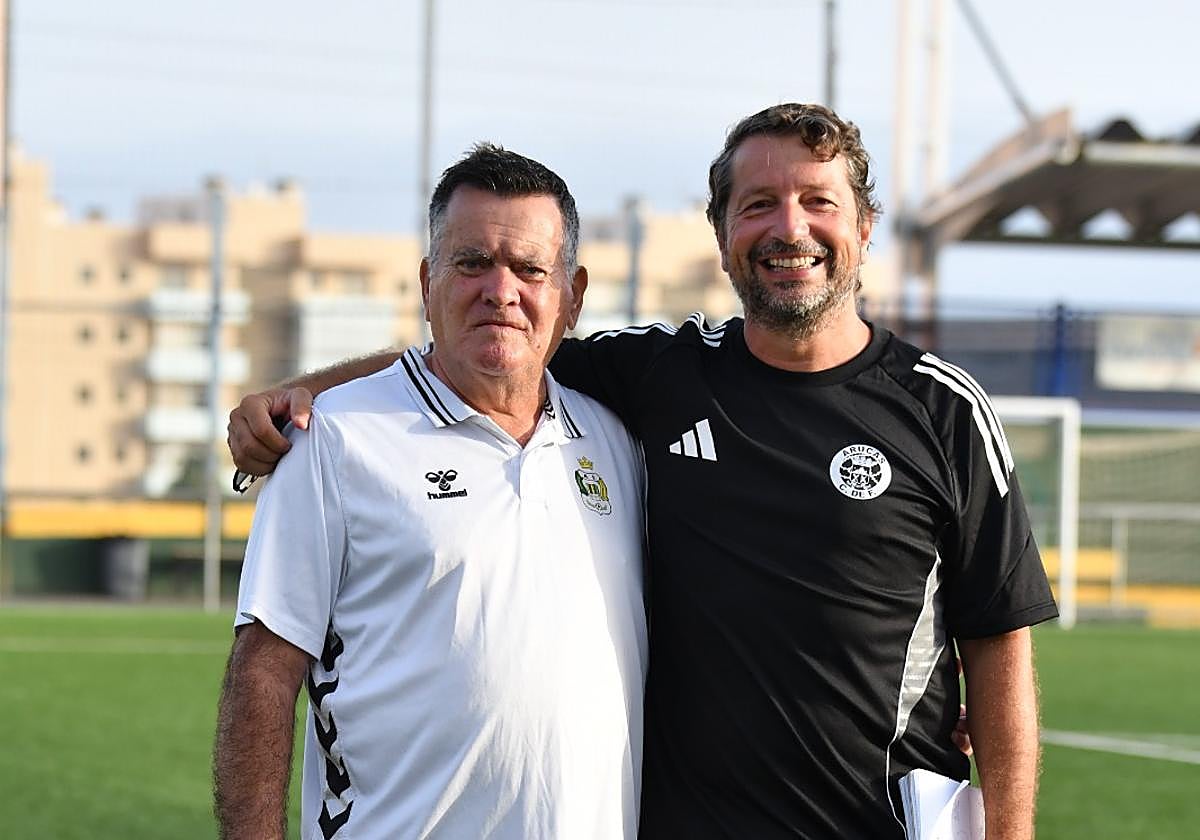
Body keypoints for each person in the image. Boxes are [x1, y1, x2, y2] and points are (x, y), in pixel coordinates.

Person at [228, 104, 1056, 839]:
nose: (789, 228)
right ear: (723, 229)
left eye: (818, 201)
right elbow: (496, 347)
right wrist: (306, 393)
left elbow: (999, 640)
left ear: (865, 226)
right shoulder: (658, 379)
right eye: (758, 203)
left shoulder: (942, 410)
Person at [213, 144, 648, 840]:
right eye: (471, 262)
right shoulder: (336, 440)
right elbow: (264, 671)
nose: (500, 291)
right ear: (426, 282)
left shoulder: (617, 443)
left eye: (530, 269)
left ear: (573, 295)